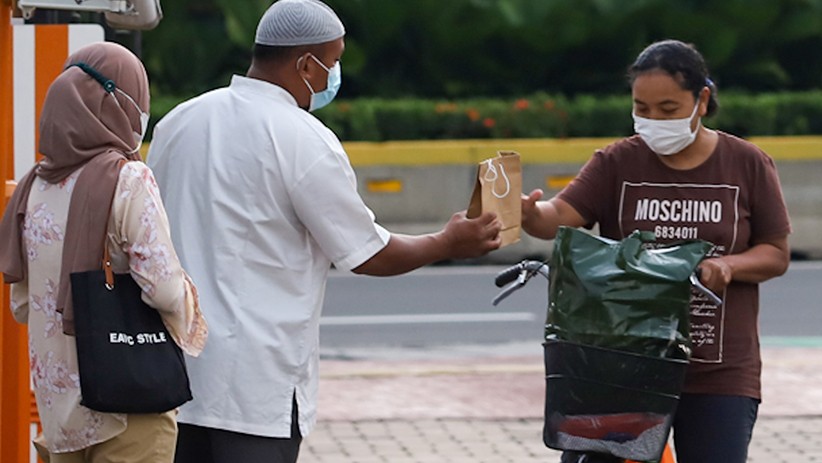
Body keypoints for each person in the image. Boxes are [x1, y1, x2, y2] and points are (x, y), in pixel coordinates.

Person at [145, 0, 502, 462]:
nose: (335, 74)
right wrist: (447, 242)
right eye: (333, 61)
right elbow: (367, 252)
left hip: (173, 376)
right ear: (306, 65)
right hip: (254, 388)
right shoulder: (303, 138)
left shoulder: (179, 121)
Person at [522, 39, 791, 463]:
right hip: (621, 367)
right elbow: (557, 216)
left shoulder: (747, 163)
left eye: (667, 109)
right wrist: (527, 212)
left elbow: (775, 252)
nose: (653, 121)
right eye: (641, 109)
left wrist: (728, 266)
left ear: (702, 100)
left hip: (717, 371)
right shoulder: (616, 162)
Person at [0, 42, 207, 463]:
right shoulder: (128, 179)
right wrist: (191, 305)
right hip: (128, 405)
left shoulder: (32, 188)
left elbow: (22, 307)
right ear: (118, 103)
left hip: (61, 415)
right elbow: (165, 291)